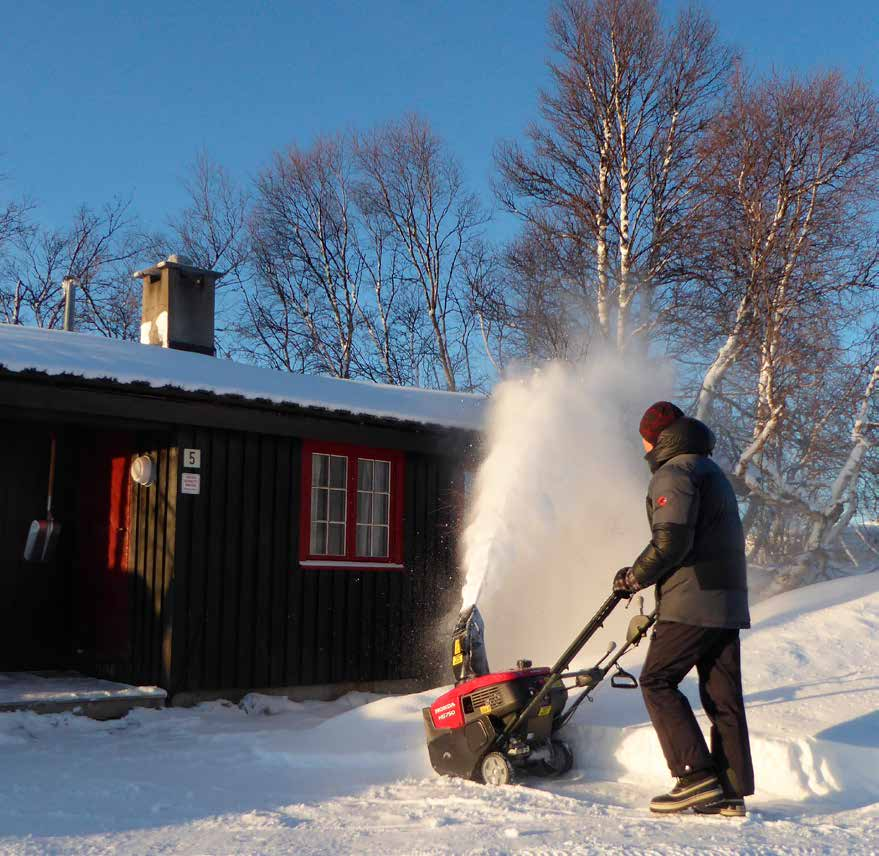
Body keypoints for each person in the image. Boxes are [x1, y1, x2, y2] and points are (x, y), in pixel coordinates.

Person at [612, 401, 754, 817]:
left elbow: (671, 542)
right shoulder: (711, 472)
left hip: (694, 598)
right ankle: (731, 790)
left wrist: (634, 577)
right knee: (722, 696)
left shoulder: (674, 473)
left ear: (656, 438)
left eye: (643, 438)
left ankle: (693, 777)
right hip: (727, 597)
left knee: (656, 680)